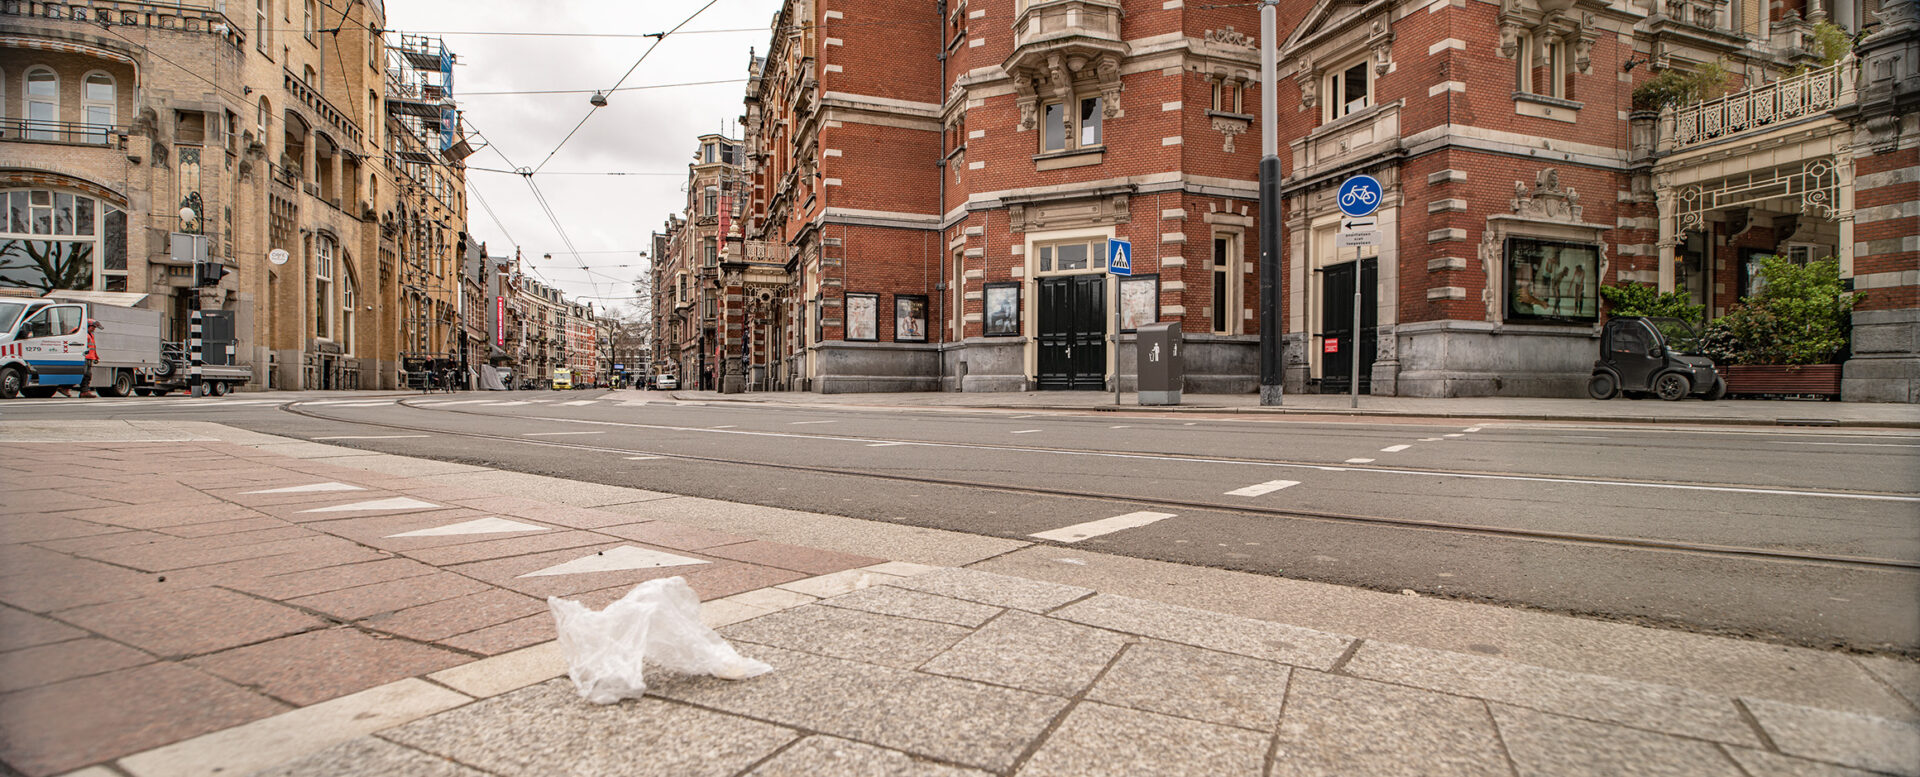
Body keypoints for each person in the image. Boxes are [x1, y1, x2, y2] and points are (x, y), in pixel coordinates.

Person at [60, 319, 103, 398]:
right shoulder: (80, 333)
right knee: (83, 375)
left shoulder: (89, 334)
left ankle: (83, 391)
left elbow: (92, 348)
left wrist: (96, 357)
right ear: (87, 326)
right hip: (83, 358)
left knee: (87, 375)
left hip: (88, 358)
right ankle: (66, 387)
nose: (94, 329)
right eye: (93, 327)